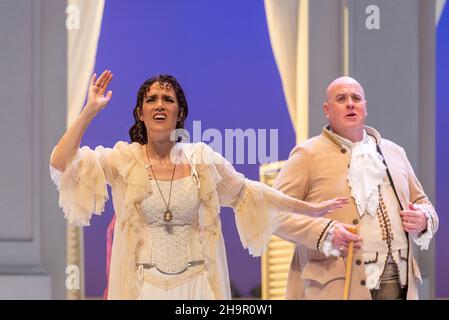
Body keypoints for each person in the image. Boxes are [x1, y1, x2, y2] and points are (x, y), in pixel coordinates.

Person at [49, 70, 348, 300]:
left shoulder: (202, 160)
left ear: (179, 113)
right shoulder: (123, 160)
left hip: (197, 286)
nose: (159, 104)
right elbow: (61, 162)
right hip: (144, 287)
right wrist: (90, 108)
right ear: (141, 113)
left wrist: (309, 207)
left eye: (168, 99)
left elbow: (249, 191)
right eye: (151, 99)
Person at [273, 76, 439, 300]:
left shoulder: (394, 152)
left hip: (399, 279)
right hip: (338, 285)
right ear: (327, 109)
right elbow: (273, 212)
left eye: (356, 98)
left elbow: (424, 203)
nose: (350, 103)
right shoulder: (307, 155)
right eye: (341, 98)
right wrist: (325, 232)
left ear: (365, 107)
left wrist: (423, 219)